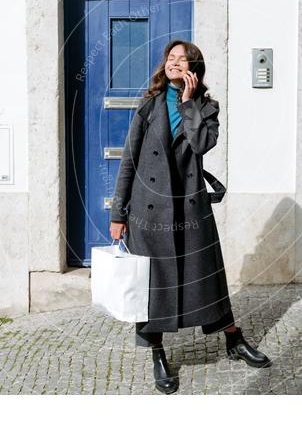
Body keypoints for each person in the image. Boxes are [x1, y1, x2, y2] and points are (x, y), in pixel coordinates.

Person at [109, 39, 271, 394]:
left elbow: (202, 145)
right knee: (152, 285)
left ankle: (233, 339)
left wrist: (187, 105)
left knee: (206, 278)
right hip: (148, 211)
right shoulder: (147, 105)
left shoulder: (206, 107)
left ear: (194, 68)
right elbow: (129, 160)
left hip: (190, 208)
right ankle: (157, 353)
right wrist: (117, 213)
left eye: (182, 59)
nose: (175, 63)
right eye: (171, 58)